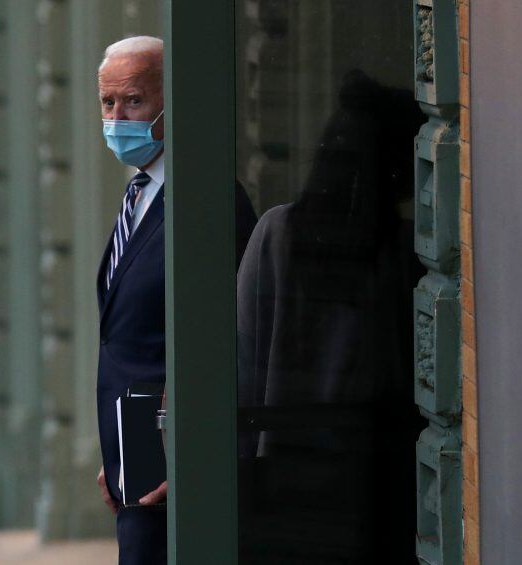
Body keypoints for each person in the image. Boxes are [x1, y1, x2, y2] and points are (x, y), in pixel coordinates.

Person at [237, 70, 426, 563]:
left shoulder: (400, 248)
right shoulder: (281, 235)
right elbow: (246, 363)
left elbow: (246, 363)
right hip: (330, 479)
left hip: (351, 478)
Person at [94, 36, 256, 564]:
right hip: (136, 459)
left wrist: (202, 453)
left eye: (134, 101)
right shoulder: (140, 193)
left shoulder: (205, 197)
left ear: (174, 100)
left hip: (178, 462)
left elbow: (232, 336)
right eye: (108, 103)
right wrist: (117, 451)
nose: (117, 118)